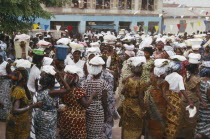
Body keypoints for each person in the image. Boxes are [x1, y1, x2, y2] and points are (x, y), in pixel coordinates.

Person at [49, 65, 96, 139]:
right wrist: (92, 96)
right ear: (76, 80)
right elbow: (86, 104)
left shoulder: (63, 90)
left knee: (67, 136)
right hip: (77, 118)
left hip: (66, 116)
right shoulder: (78, 91)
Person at [6, 68, 42, 139]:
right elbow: (15, 110)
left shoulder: (15, 87)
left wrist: (25, 86)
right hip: (18, 122)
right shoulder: (19, 91)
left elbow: (29, 98)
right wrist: (32, 106)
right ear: (25, 79)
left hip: (14, 120)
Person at [118, 57, 147, 139]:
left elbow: (122, 92)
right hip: (136, 107)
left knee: (126, 127)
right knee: (135, 128)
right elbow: (141, 98)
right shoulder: (142, 82)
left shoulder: (128, 80)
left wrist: (128, 96)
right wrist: (143, 110)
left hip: (127, 106)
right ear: (141, 72)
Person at [81, 56, 108, 139]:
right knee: (97, 132)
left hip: (87, 109)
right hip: (98, 110)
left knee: (88, 131)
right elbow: (104, 100)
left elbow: (84, 97)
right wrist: (106, 112)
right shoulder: (103, 83)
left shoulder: (85, 82)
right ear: (100, 71)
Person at [177, 64, 206, 139]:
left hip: (183, 99)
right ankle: (188, 136)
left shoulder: (185, 77)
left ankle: (179, 135)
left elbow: (182, 89)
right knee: (191, 121)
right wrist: (203, 102)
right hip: (193, 101)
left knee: (182, 118)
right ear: (196, 70)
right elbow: (197, 92)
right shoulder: (196, 79)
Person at [196, 67, 210, 138]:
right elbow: (209, 97)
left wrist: (202, 101)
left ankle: (199, 133)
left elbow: (198, 92)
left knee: (200, 117)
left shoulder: (200, 80)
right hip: (207, 104)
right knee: (207, 120)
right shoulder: (209, 83)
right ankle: (205, 133)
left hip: (201, 101)